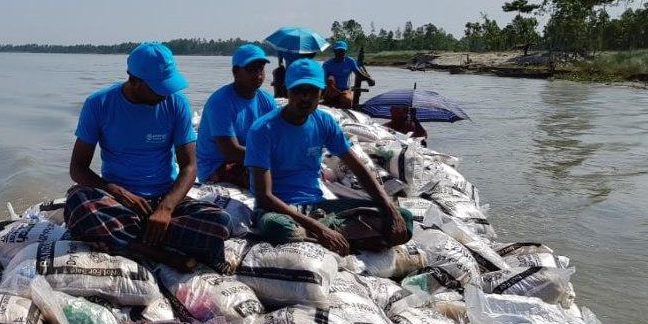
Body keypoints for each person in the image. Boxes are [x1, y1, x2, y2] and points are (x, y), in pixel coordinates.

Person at [65, 42, 232, 271]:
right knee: (77, 201)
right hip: (118, 201)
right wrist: (116, 191)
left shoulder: (176, 103)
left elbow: (190, 167)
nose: (166, 93)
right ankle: (158, 251)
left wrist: (166, 208)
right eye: (159, 88)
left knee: (221, 222)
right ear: (134, 81)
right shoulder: (99, 104)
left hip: (165, 196)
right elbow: (78, 168)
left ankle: (130, 241)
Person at [244, 59, 411, 255]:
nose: (305, 97)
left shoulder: (324, 121)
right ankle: (342, 235)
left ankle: (324, 235)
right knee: (277, 228)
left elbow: (358, 168)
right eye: (299, 90)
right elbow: (264, 197)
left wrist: (389, 207)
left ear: (322, 93)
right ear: (287, 90)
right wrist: (319, 228)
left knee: (404, 217)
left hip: (317, 206)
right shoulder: (263, 129)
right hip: (280, 210)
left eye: (312, 91)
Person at [196, 44, 278, 188]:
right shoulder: (221, 102)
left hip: (250, 160)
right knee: (269, 182)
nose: (258, 74)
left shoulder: (267, 100)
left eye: (261, 68)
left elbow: (274, 139)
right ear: (235, 72)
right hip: (218, 166)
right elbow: (231, 151)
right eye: (251, 69)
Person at [321, 40, 370, 108]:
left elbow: (358, 74)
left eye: (342, 51)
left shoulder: (350, 61)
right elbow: (321, 79)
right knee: (330, 79)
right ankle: (327, 101)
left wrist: (369, 79)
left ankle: (338, 105)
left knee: (347, 101)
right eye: (338, 51)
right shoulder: (327, 64)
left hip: (344, 90)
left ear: (345, 51)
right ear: (334, 52)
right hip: (331, 90)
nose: (340, 53)